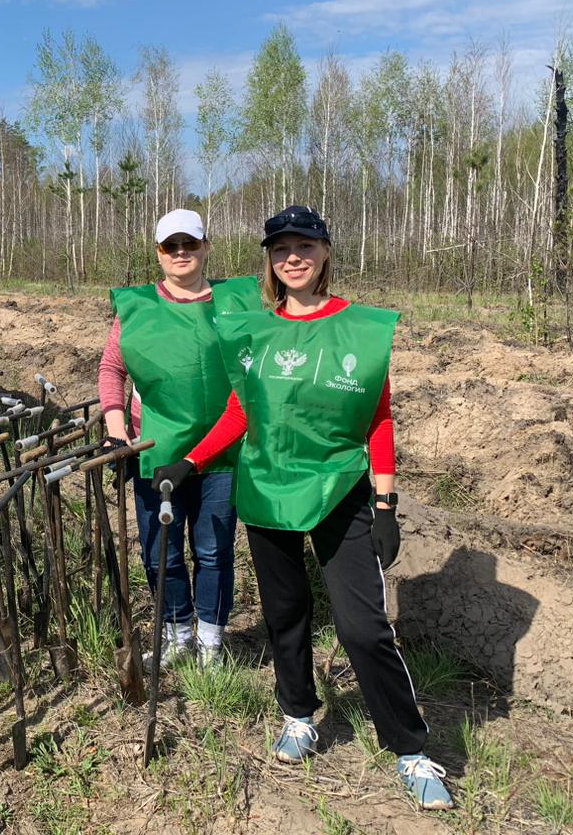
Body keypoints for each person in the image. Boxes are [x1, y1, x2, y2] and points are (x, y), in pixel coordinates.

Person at [153, 205, 453, 810]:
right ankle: (299, 713)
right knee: (285, 615)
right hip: (267, 489)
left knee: (362, 627)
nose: (293, 256)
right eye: (281, 247)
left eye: (305, 245)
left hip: (340, 490)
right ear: (269, 259)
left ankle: (410, 749)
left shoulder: (358, 330)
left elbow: (378, 416)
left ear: (324, 253)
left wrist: (387, 501)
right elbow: (243, 413)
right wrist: (193, 460)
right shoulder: (255, 331)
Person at [100, 208, 260, 667]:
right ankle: (176, 632)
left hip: (223, 450)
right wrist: (117, 433)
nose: (182, 253)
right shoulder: (137, 308)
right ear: (159, 254)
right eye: (172, 246)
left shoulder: (236, 302)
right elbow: (112, 369)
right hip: (156, 449)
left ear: (207, 246)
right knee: (159, 553)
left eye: (190, 243)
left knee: (213, 549)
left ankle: (210, 637)